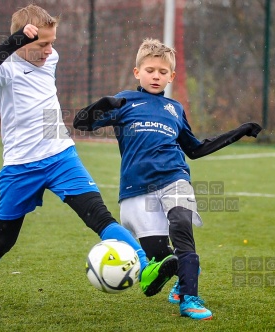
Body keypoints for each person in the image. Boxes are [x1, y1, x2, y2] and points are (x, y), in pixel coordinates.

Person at [0, 5, 178, 304]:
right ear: (22, 41)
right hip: (20, 166)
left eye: (51, 42)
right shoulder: (7, 68)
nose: (49, 50)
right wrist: (15, 40)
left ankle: (147, 267)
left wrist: (37, 43)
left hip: (60, 155)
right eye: (42, 44)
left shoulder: (50, 58)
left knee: (99, 216)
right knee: (3, 240)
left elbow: (39, 54)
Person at [73, 38, 262, 320]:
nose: (156, 76)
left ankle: (189, 298)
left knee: (182, 225)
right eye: (150, 70)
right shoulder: (124, 101)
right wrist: (103, 104)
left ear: (171, 77)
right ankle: (180, 273)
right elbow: (81, 123)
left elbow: (195, 150)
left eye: (163, 72)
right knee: (162, 257)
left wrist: (238, 132)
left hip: (175, 178)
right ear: (138, 72)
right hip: (136, 189)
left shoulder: (175, 109)